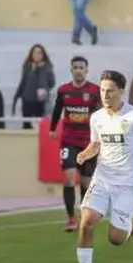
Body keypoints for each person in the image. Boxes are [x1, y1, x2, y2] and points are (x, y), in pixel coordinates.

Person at [72, 71, 133, 263]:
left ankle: (128, 224)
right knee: (87, 221)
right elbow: (96, 145)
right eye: (102, 90)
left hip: (128, 184)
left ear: (122, 91)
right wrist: (85, 153)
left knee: (115, 238)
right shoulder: (97, 118)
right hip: (102, 180)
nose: (105, 95)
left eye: (110, 91)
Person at [49, 56, 101, 232]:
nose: (78, 70)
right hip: (69, 140)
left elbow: (101, 116)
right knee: (69, 177)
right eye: (75, 67)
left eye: (81, 67)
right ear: (71, 70)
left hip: (88, 143)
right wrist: (52, 128)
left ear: (86, 70)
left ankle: (84, 215)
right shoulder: (64, 90)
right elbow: (57, 110)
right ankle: (71, 217)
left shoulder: (95, 91)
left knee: (86, 182)